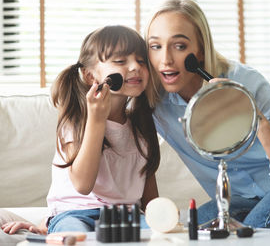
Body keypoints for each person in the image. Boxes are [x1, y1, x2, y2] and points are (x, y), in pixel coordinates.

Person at [144, 0, 270, 231]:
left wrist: (249, 110)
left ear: (199, 51)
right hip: (242, 199)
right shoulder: (154, 103)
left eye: (179, 46)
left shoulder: (246, 80)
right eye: (155, 46)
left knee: (258, 230)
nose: (166, 59)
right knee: (188, 230)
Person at [1, 25, 160, 234]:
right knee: (75, 235)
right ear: (90, 76)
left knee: (162, 233)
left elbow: (151, 204)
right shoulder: (75, 122)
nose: (135, 67)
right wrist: (96, 119)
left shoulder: (142, 129)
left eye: (141, 61)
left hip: (127, 217)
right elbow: (83, 185)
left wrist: (163, 223)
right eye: (121, 61)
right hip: (74, 214)